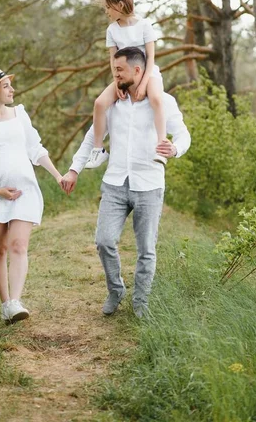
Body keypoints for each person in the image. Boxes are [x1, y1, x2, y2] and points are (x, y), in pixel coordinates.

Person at [61, 47, 191, 318]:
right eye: (114, 69)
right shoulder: (113, 104)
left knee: (146, 250)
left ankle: (140, 301)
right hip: (115, 183)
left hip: (150, 185)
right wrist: (74, 170)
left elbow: (183, 134)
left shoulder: (163, 101)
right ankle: (116, 290)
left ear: (137, 70)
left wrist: (175, 149)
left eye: (119, 70)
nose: (115, 74)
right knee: (104, 241)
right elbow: (90, 138)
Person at [0, 68, 62, 324]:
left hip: (24, 190)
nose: (12, 90)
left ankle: (16, 302)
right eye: (6, 86)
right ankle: (6, 304)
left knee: (19, 245)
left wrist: (58, 175)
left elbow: (35, 149)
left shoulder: (20, 115)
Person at [85, 0, 167, 169]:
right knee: (99, 103)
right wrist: (117, 82)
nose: (106, 11)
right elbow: (113, 60)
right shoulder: (112, 30)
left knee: (156, 98)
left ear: (120, 5)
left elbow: (151, 58)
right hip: (123, 75)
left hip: (147, 72)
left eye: (108, 7)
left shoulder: (145, 25)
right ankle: (98, 150)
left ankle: (161, 146)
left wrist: (144, 83)